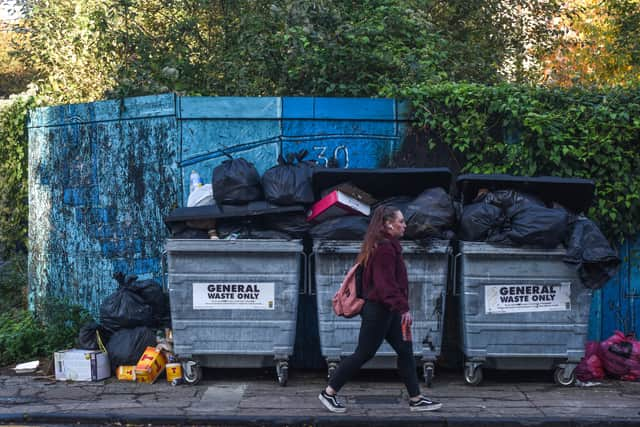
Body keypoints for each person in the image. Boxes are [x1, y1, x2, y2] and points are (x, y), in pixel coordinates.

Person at [318, 205, 443, 413]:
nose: (405, 225)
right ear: (388, 223)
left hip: (388, 310)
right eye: (401, 221)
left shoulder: (385, 245)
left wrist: (398, 308)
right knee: (363, 354)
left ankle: (416, 398)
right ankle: (328, 393)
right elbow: (386, 286)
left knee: (405, 350)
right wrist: (403, 308)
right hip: (379, 310)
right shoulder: (384, 249)